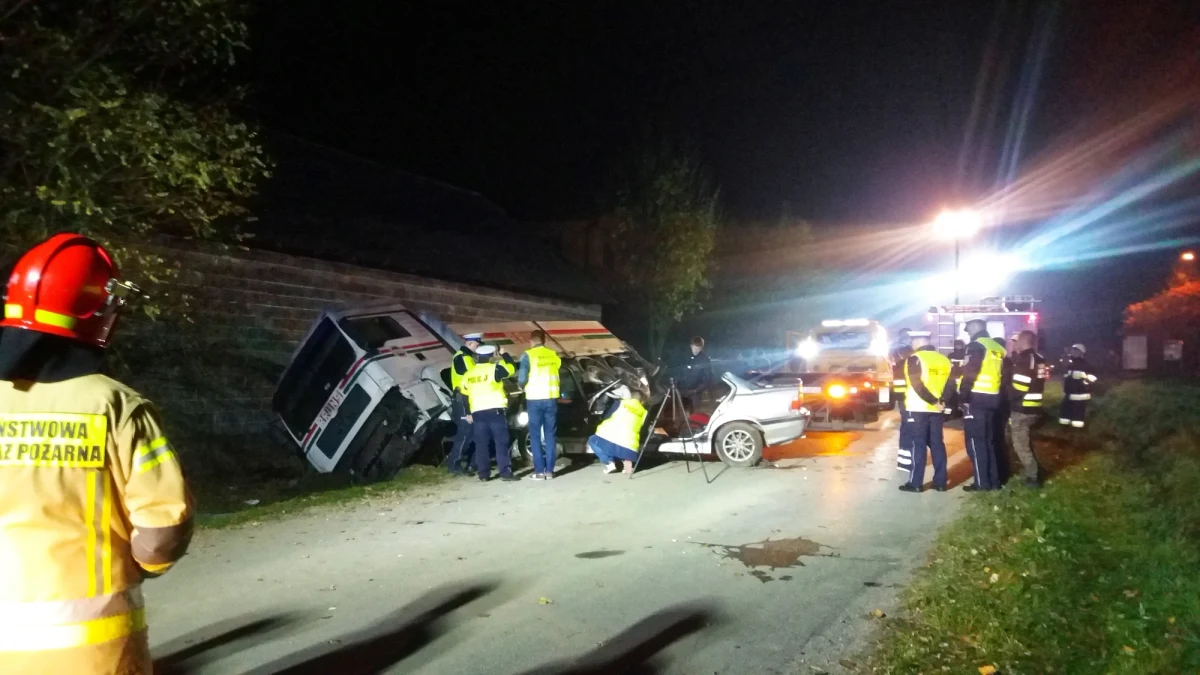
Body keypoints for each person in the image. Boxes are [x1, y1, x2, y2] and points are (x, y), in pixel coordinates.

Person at [0, 234, 193, 674]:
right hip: (96, 651)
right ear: (94, 312)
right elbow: (164, 526)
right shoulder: (117, 407)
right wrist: (148, 565)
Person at [958, 318, 1008, 491]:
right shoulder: (997, 347)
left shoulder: (976, 345)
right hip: (993, 399)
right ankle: (994, 482)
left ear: (974, 328)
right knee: (989, 442)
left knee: (975, 442)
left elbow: (970, 372)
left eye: (968, 330)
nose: (968, 334)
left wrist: (962, 396)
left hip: (975, 399)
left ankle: (981, 483)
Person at [898, 334, 952, 492]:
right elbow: (950, 384)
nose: (911, 344)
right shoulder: (944, 360)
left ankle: (915, 483)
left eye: (913, 342)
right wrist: (941, 402)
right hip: (936, 410)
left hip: (917, 408)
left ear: (919, 342)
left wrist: (933, 401)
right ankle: (940, 482)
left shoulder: (915, 359)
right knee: (937, 444)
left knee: (918, 445)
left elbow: (917, 384)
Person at [463, 344, 518, 482]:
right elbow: (512, 368)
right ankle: (505, 473)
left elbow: (464, 394)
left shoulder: (469, 374)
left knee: (481, 444)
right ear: (491, 356)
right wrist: (504, 354)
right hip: (495, 411)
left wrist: (469, 412)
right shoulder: (495, 369)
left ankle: (483, 475)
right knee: (501, 442)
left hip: (478, 413)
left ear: (478, 356)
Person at [518, 330, 561, 480]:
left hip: (535, 399)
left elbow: (522, 379)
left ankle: (539, 471)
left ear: (531, 341)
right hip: (551, 398)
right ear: (544, 341)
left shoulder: (527, 355)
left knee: (535, 435)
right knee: (550, 435)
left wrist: (521, 387)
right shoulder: (553, 355)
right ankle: (549, 471)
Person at [1008, 330, 1048, 487]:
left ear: (1024, 341)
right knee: (1026, 441)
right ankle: (1037, 469)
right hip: (1035, 408)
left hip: (1022, 409)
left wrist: (1007, 401)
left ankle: (1033, 477)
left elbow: (1019, 388)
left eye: (1016, 341)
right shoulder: (1040, 359)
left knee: (1020, 444)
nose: (1015, 344)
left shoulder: (1025, 361)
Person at [587, 385, 648, 476]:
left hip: (610, 439)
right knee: (626, 445)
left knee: (592, 440)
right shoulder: (644, 412)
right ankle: (627, 466)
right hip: (630, 446)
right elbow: (641, 427)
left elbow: (607, 416)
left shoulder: (620, 403)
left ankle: (609, 463)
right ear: (642, 401)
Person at [446, 332, 482, 475]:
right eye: (477, 345)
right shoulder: (461, 357)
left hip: (469, 398)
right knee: (465, 432)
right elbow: (469, 377)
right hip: (462, 398)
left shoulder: (468, 358)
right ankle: (454, 464)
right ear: (470, 343)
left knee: (472, 433)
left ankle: (469, 463)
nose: (477, 348)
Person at [1060, 343, 1096, 429]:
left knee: (1078, 416)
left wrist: (1084, 384)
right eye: (1072, 350)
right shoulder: (1070, 365)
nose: (1072, 352)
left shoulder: (1085, 365)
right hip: (1069, 394)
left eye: (1075, 350)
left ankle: (1077, 431)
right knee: (1065, 413)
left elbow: (1093, 377)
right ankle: (1064, 429)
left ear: (1081, 353)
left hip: (1080, 395)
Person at [891, 345, 913, 472]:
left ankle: (905, 463)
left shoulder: (900, 366)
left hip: (906, 402)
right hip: (914, 402)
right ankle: (909, 461)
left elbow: (898, 387)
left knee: (906, 430)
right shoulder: (915, 363)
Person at [677, 336, 713, 409]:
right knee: (680, 411)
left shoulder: (705, 359)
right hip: (682, 390)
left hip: (695, 392)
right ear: (691, 346)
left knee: (694, 413)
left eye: (699, 349)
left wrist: (696, 390)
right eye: (695, 348)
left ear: (702, 348)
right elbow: (678, 371)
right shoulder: (684, 356)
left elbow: (707, 378)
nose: (696, 350)